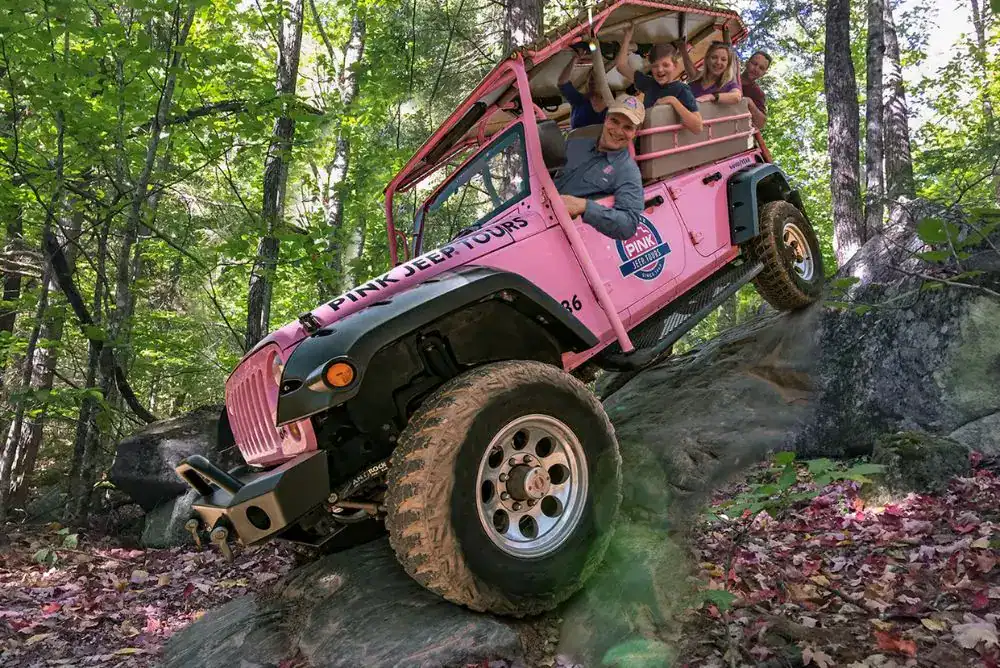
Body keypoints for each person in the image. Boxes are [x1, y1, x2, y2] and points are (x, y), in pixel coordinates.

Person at [556, 95, 645, 240]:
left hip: (560, 232)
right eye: (614, 121)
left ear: (635, 133)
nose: (618, 131)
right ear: (606, 118)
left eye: (628, 127)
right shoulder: (574, 143)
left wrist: (584, 207)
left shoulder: (628, 171)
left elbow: (628, 225)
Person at [613, 24, 703, 134]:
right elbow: (621, 66)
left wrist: (673, 101)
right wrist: (627, 38)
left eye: (665, 65)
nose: (660, 70)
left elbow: (698, 127)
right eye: (655, 66)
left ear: (675, 66)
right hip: (647, 137)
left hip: (665, 140)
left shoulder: (682, 89)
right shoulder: (649, 83)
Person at [557, 41, 615, 129]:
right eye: (590, 79)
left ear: (603, 82)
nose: (592, 82)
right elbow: (562, 82)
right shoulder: (579, 100)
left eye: (596, 79)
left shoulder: (612, 105)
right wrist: (575, 58)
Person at [679, 41, 743, 104]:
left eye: (723, 60)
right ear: (707, 59)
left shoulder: (728, 85)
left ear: (727, 64)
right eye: (714, 57)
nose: (718, 62)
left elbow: (737, 96)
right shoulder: (693, 85)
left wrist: (711, 97)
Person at [741, 50, 771, 129]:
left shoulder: (758, 94)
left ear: (763, 74)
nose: (756, 69)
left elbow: (761, 124)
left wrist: (750, 103)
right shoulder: (728, 76)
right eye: (754, 64)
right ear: (747, 63)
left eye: (761, 68)